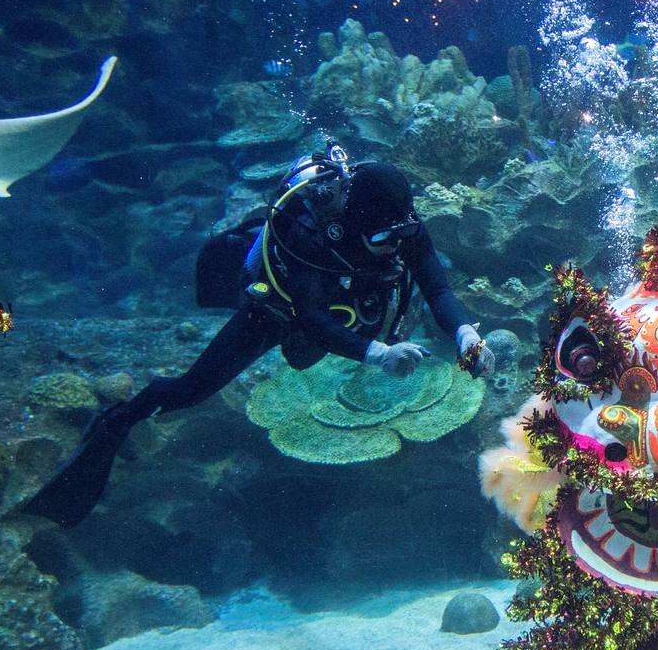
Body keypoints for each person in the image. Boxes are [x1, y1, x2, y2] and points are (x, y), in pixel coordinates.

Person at [25, 141, 494, 528]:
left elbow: (435, 284)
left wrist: (465, 335)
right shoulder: (308, 232)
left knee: (335, 337)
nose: (397, 245)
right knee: (193, 389)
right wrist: (376, 353)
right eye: (385, 238)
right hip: (277, 311)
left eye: (402, 233)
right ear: (355, 224)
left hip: (345, 312)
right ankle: (118, 420)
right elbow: (309, 317)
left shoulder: (400, 223)